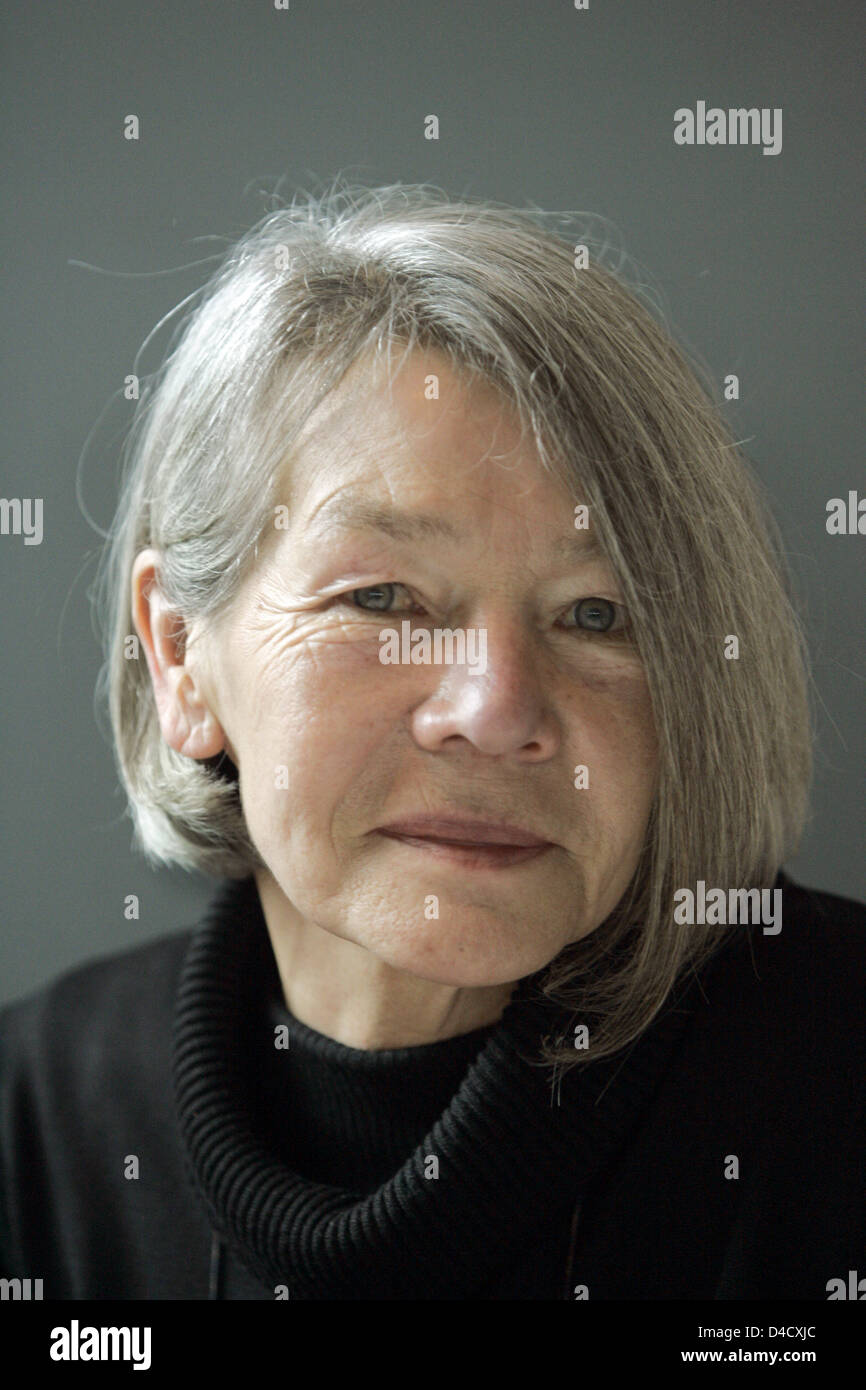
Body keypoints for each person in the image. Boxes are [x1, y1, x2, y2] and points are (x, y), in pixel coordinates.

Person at [1, 183, 862, 1301]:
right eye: (384, 598)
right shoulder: (34, 1116)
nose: (495, 708)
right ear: (179, 656)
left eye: (596, 614)